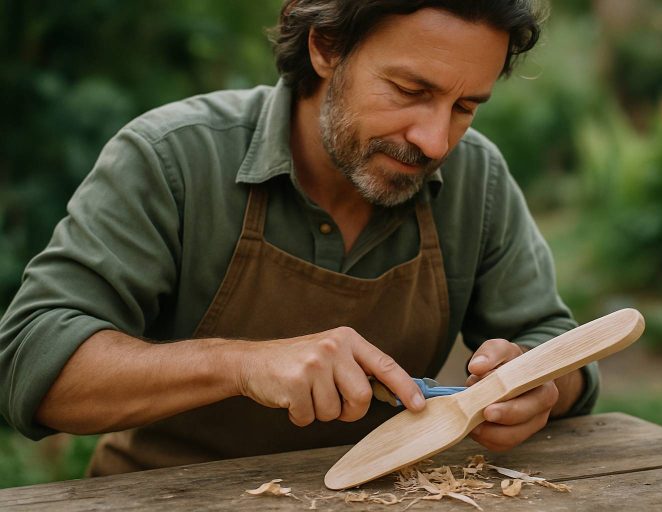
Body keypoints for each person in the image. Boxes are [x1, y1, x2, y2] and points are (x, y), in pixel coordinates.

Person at [0, 0, 599, 476]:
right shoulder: (171, 159)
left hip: (379, 495)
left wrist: (536, 380)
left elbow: (562, 349)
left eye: (466, 105)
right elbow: (32, 363)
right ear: (325, 47)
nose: (436, 141)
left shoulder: (477, 178)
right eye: (412, 91)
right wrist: (243, 364)